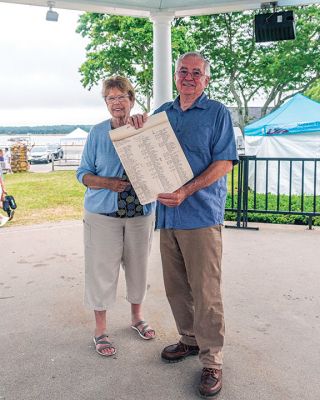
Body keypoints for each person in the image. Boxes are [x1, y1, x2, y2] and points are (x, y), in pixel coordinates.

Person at [129, 52, 238, 397]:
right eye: (183, 72)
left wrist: (187, 190)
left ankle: (212, 361)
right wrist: (136, 126)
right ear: (176, 76)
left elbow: (224, 163)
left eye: (196, 73)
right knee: (176, 287)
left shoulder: (218, 113)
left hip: (201, 215)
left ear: (206, 80)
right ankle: (189, 340)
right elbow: (144, 150)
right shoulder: (162, 113)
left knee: (206, 291)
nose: (188, 77)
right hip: (168, 217)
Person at [76, 76, 156, 357]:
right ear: (106, 103)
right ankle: (100, 331)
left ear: (132, 100)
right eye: (111, 98)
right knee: (101, 271)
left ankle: (137, 318)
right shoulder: (97, 133)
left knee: (138, 268)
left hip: (140, 212)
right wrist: (106, 182)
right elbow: (81, 174)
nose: (117, 103)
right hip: (103, 214)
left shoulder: (145, 127)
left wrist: (146, 128)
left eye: (122, 97)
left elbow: (160, 161)